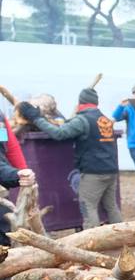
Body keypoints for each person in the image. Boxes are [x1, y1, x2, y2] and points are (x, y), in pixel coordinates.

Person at [19, 88, 122, 230]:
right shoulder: (105, 119)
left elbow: (59, 133)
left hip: (93, 172)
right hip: (111, 170)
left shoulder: (82, 120)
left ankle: (93, 239)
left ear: (80, 103)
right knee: (111, 206)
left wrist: (36, 119)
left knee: (88, 206)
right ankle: (123, 236)